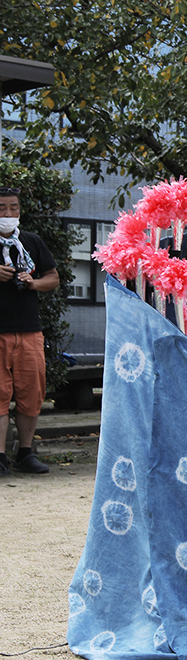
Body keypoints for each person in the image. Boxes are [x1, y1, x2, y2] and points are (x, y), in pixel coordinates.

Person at [0, 187, 59, 475]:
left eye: (13, 207)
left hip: (29, 330)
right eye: (1, 208)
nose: (8, 214)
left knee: (32, 392)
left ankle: (25, 453)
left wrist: (34, 283)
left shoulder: (32, 241)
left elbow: (53, 277)